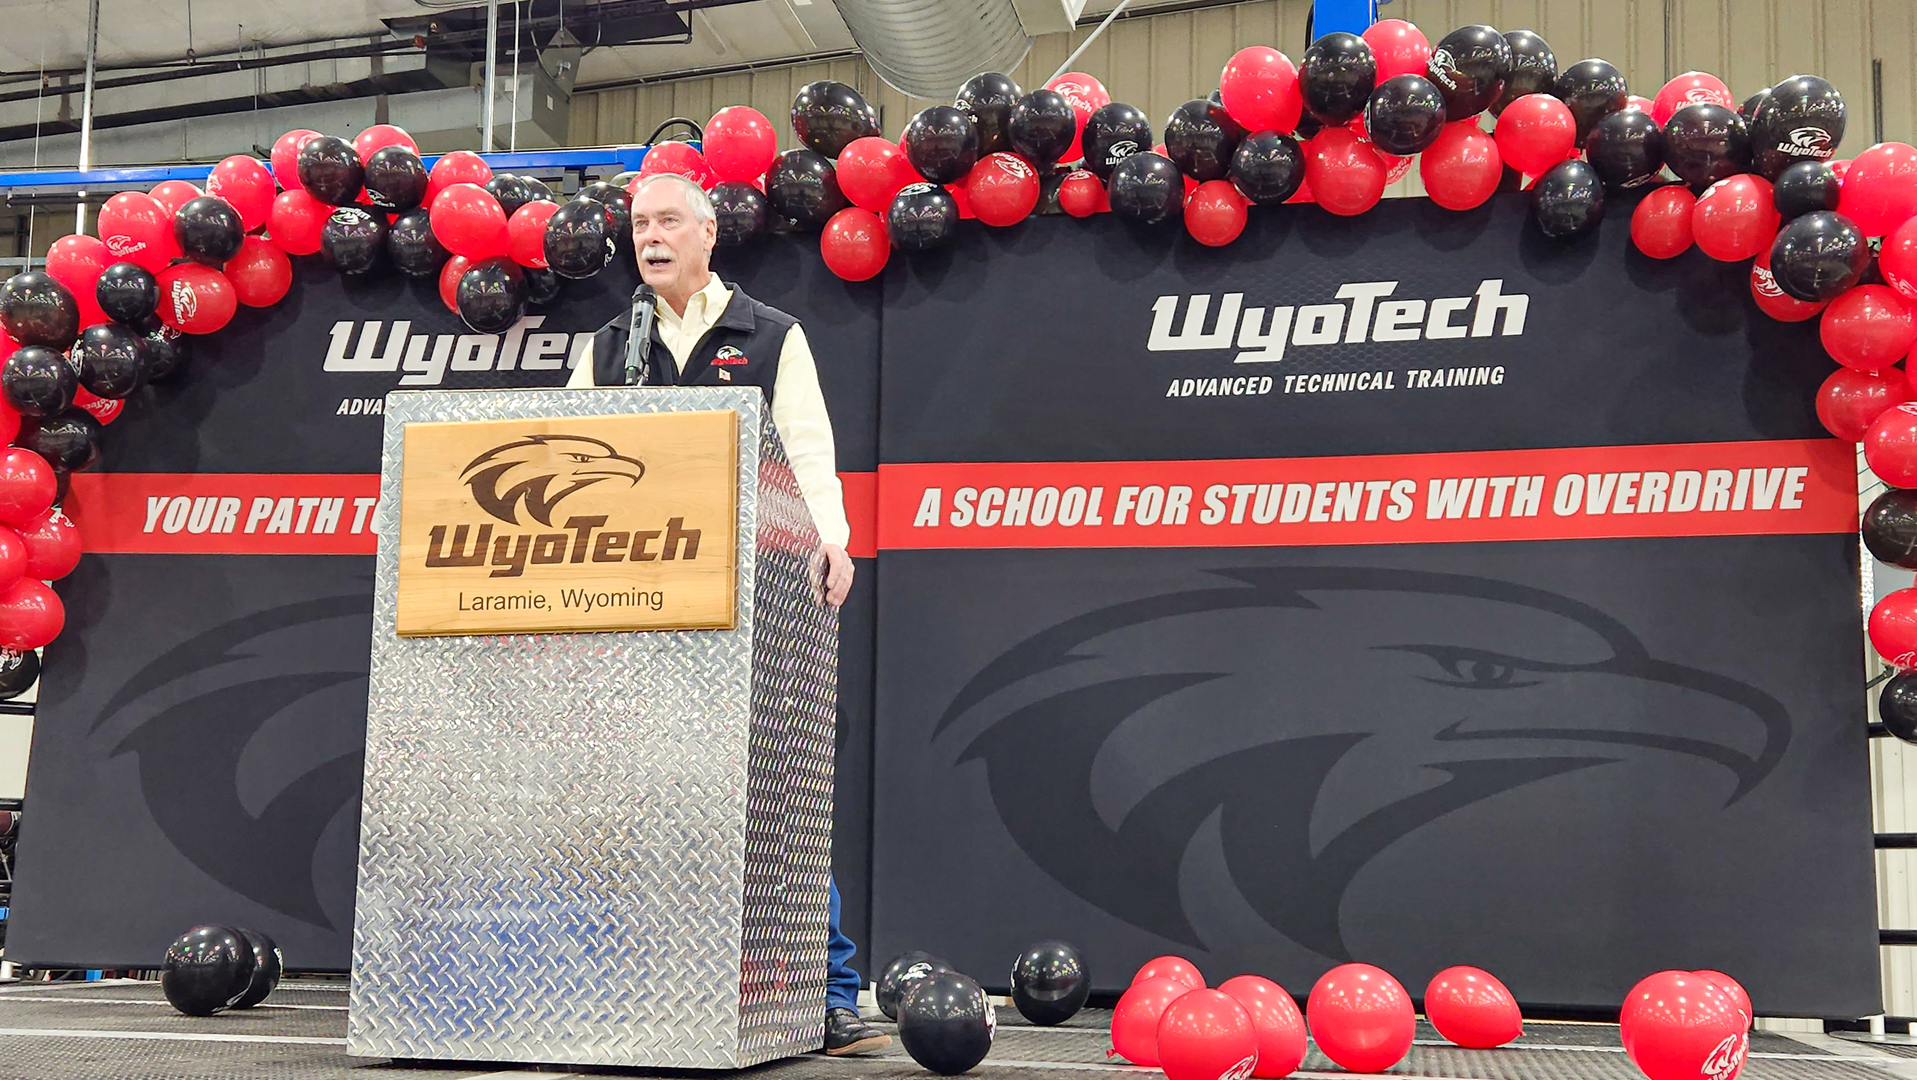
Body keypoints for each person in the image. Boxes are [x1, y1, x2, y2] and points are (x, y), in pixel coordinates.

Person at [566, 172, 885, 1056]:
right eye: (639, 224)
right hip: (640, 611)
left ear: (710, 235)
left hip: (751, 605)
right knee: (640, 807)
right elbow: (569, 466)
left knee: (775, 804)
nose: (651, 236)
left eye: (669, 220)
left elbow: (810, 451)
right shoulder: (605, 349)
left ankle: (826, 993)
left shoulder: (772, 336)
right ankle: (640, 991)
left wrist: (832, 540)